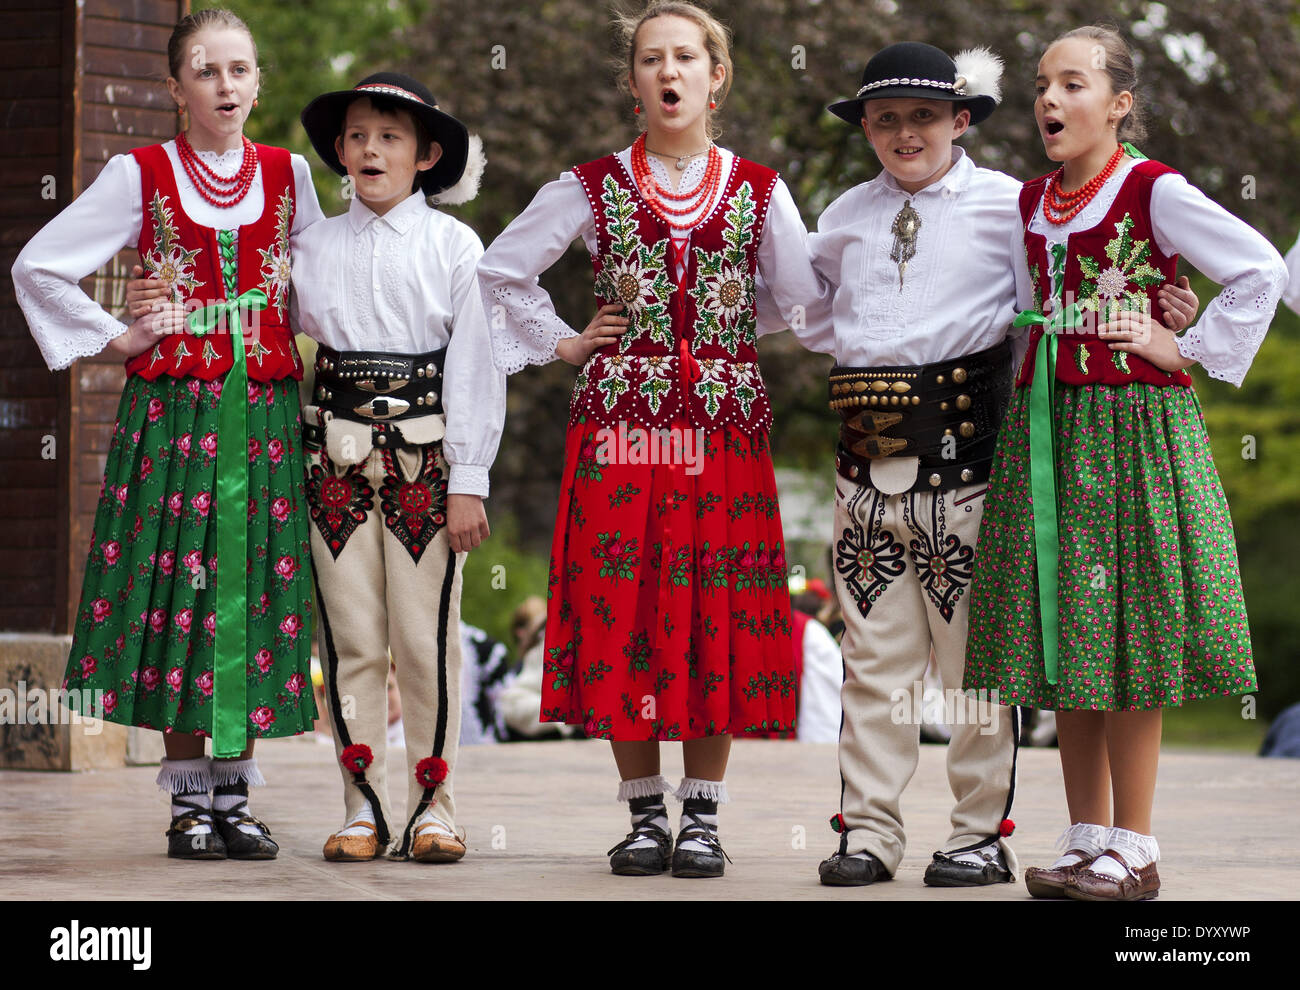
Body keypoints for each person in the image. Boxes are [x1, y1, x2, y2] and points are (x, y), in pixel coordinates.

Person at [795, 42, 1199, 890]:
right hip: (863, 456)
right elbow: (806, 317)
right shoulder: (839, 217)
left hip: (971, 457)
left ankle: (978, 833)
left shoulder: (1007, 208)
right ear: (864, 126)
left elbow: (1051, 307)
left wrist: (1168, 314)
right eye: (886, 118)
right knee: (873, 659)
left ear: (962, 119)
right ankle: (867, 832)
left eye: (925, 115)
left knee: (976, 661)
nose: (906, 132)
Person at [476, 0, 828, 878]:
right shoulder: (589, 186)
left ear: (718, 76)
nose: (668, 72)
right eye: (649, 59)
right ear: (633, 83)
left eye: (685, 57)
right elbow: (497, 275)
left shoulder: (759, 190)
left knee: (715, 606)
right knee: (622, 606)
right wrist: (561, 339)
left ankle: (701, 814)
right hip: (620, 435)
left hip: (721, 434)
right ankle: (642, 813)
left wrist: (727, 334)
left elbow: (801, 299)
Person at [962, 25, 1288, 902]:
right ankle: (1083, 840)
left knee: (1126, 638)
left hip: (1132, 431)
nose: (1048, 101)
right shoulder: (1033, 200)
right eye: (1040, 85)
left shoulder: (1153, 188)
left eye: (1072, 84)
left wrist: (1181, 345)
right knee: (1067, 639)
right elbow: (1030, 308)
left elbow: (1257, 266)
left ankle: (1136, 848)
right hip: (1050, 432)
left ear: (1120, 103)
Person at [11, 8, 324, 859]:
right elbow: (39, 263)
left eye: (240, 70)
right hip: (177, 414)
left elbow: (324, 290)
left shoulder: (291, 175)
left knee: (252, 587)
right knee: (184, 591)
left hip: (260, 415)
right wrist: (120, 337)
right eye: (207, 70)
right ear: (176, 85)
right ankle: (190, 802)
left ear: (258, 81)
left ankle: (235, 793)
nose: (227, 86)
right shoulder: (138, 173)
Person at [292, 72, 503, 863]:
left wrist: (469, 479)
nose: (370, 149)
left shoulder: (456, 246)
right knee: (349, 641)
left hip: (426, 464)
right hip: (332, 466)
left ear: (427, 154)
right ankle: (361, 806)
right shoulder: (307, 250)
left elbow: (477, 367)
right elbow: (277, 343)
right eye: (356, 135)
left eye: (390, 136)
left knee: (425, 641)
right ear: (339, 153)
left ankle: (434, 805)